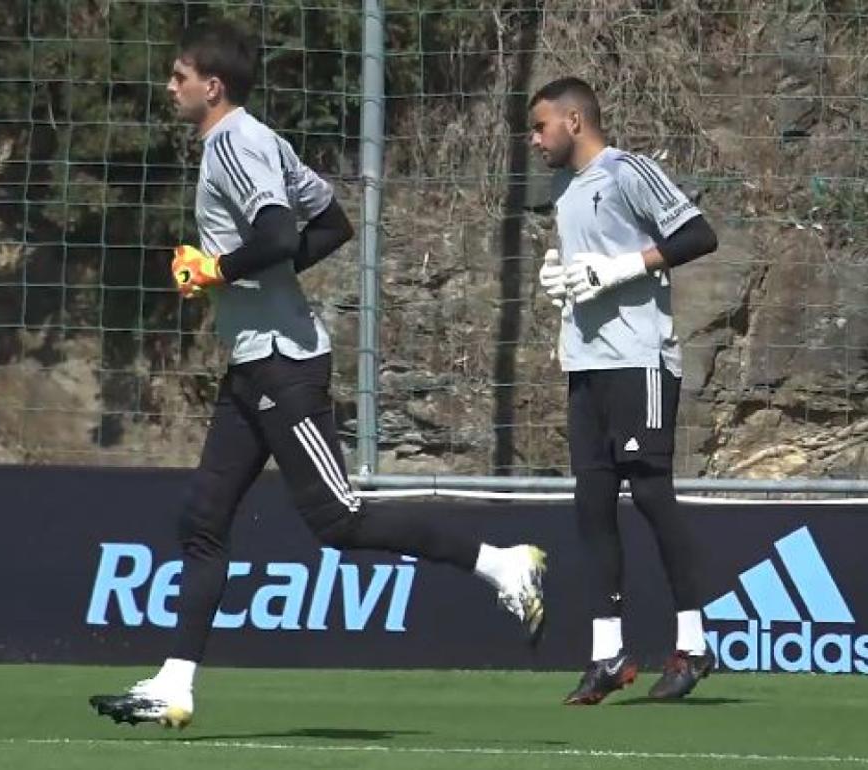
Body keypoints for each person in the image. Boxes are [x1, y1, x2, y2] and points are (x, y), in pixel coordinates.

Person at [90, 20, 546, 729]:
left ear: (212, 87)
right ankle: (174, 685)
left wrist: (218, 269)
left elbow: (275, 234)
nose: (169, 86)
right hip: (254, 364)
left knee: (339, 521)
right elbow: (329, 225)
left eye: (178, 76)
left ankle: (501, 562)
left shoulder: (234, 144)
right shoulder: (259, 141)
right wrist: (237, 282)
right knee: (203, 522)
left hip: (282, 363)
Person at [529, 77, 719, 704]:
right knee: (592, 507)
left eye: (541, 127)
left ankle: (693, 644)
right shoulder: (563, 189)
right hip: (585, 365)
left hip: (638, 361)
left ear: (575, 121)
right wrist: (563, 277)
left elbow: (697, 235)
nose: (535, 141)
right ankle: (607, 655)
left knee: (653, 496)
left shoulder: (627, 172)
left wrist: (620, 268)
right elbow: (585, 268)